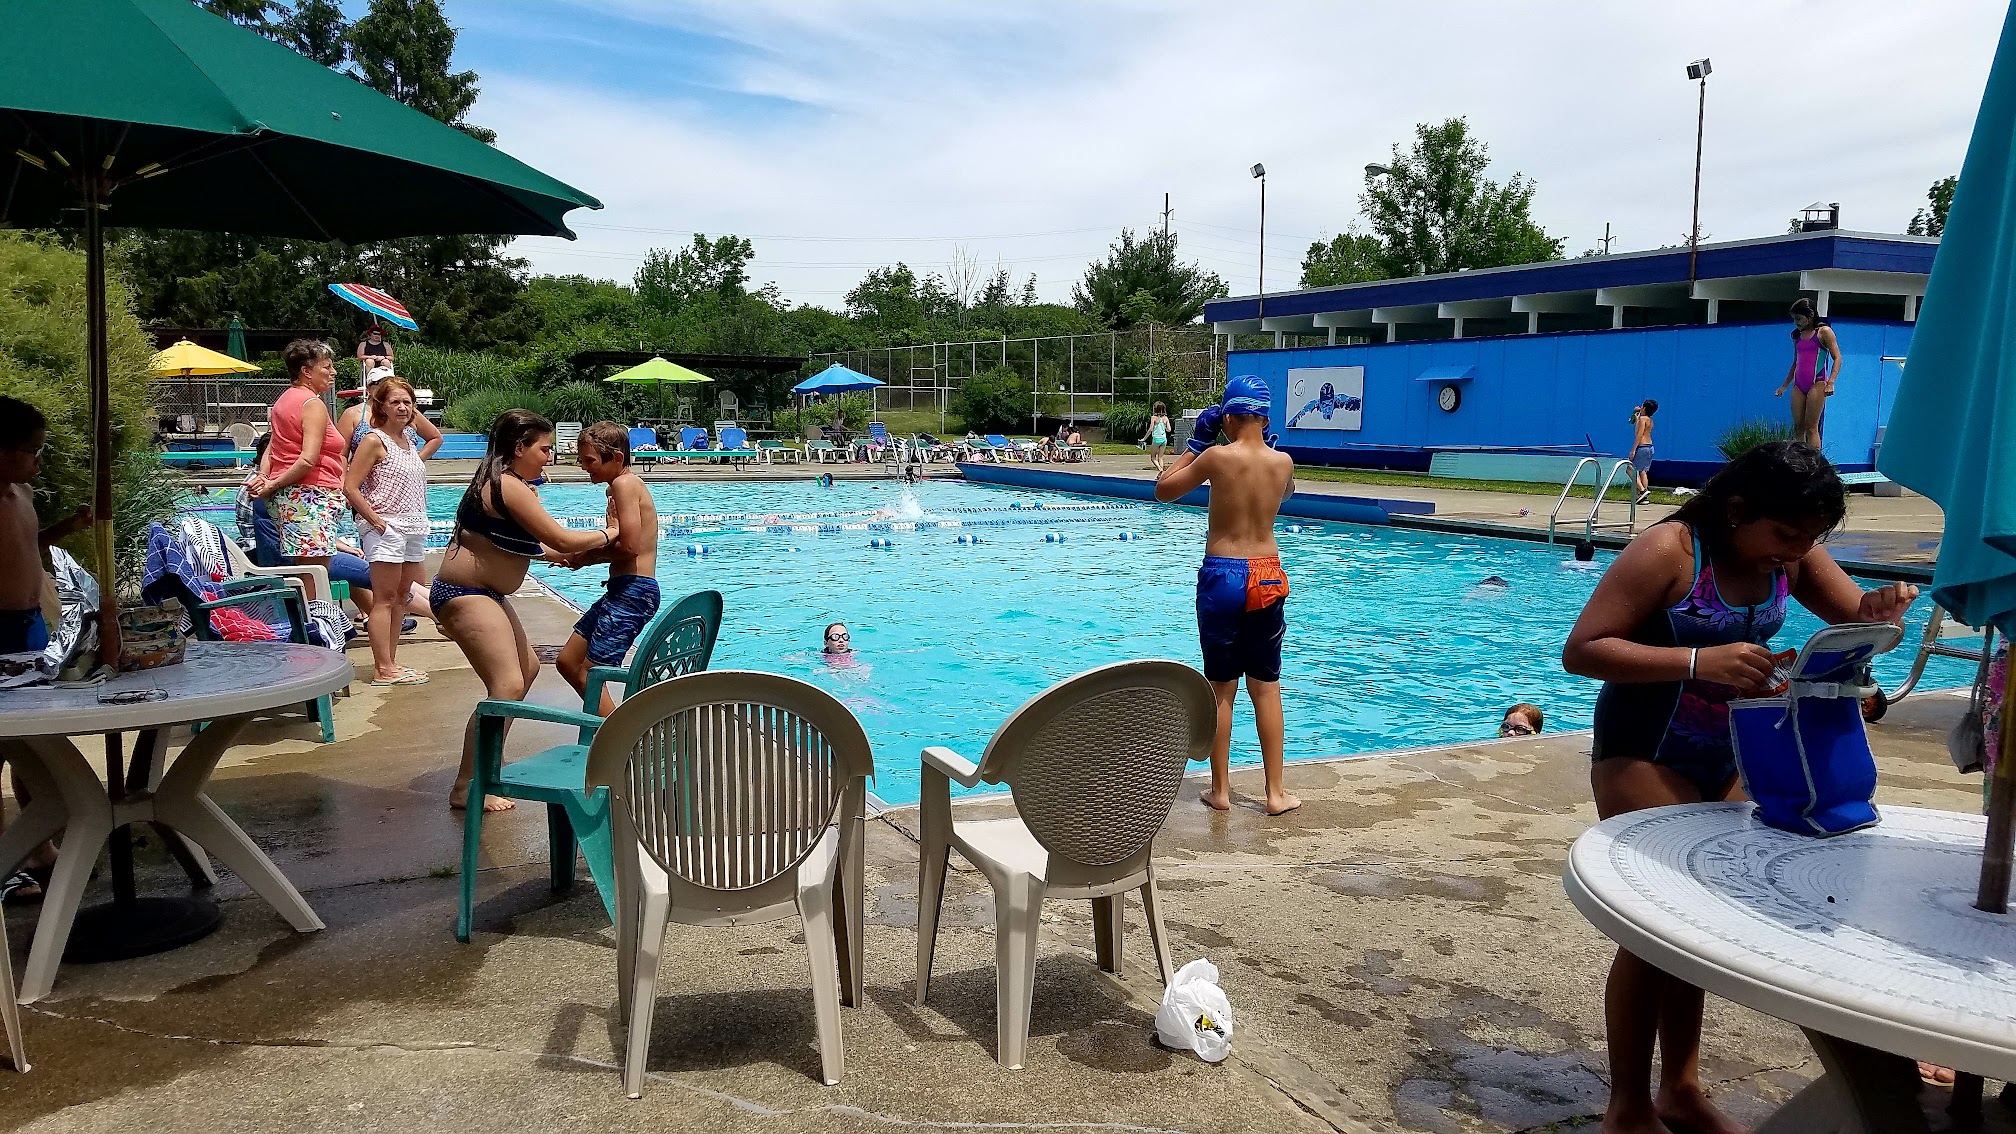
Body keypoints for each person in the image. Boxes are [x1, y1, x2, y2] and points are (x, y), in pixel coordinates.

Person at [1562, 440, 1917, 1134]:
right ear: (1736, 510)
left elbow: (1857, 622)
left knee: (1700, 925)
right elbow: (1584, 650)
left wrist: (1881, 614)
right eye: (1783, 535)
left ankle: (1681, 1088)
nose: (1795, 552)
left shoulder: (1794, 553)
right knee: (1657, 923)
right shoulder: (1670, 552)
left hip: (1731, 756)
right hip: (1645, 749)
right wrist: (1699, 661)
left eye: (1810, 538)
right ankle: (1627, 1107)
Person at [431, 410, 617, 811]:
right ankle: (466, 785)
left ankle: (487, 761)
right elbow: (561, 538)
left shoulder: (509, 483)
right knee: (507, 686)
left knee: (527, 669)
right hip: (464, 593)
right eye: (545, 449)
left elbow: (521, 543)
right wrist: (611, 532)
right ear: (519, 448)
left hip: (485, 593)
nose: (550, 456)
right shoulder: (507, 485)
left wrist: (567, 556)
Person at [1154, 375, 1300, 815]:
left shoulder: (1216, 457)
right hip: (1267, 573)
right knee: (1267, 687)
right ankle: (1275, 794)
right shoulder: (1284, 462)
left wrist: (1194, 446)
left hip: (1224, 574)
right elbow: (1285, 495)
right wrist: (1265, 449)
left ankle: (1220, 791)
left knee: (1221, 688)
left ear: (1227, 418)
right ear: (1266, 419)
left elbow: (1164, 490)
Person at [0, 396, 90, 904]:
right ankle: (4, 860)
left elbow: (30, 547)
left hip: (29, 625)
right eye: (31, 451)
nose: (38, 461)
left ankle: (39, 845)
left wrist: (67, 529)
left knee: (37, 745)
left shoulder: (22, 493)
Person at [553, 422, 660, 716]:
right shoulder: (619, 487)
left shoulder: (625, 485)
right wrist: (579, 554)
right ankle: (611, 727)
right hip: (622, 590)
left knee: (590, 674)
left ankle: (622, 735)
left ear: (617, 458)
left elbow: (629, 547)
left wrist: (584, 558)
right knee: (567, 662)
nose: (583, 467)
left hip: (633, 593)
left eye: (589, 460)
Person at [342, 378, 432, 686]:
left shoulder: (408, 440)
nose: (403, 407)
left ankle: (391, 662)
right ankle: (382, 667)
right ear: (381, 406)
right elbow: (350, 487)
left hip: (412, 526)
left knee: (402, 598)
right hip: (386, 527)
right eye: (395, 402)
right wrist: (376, 520)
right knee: (385, 598)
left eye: (407, 402)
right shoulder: (373, 441)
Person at [247, 340, 345, 599]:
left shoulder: (283, 401)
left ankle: (311, 617)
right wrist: (271, 483)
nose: (333, 372)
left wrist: (265, 477)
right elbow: (307, 460)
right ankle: (317, 619)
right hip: (309, 496)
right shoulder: (311, 403)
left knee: (306, 571)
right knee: (315, 575)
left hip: (292, 498)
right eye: (327, 367)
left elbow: (272, 448)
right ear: (307, 371)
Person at [1773, 298, 1841, 451]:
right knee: (1798, 427)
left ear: (1810, 316)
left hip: (1817, 383)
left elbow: (1837, 358)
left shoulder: (1823, 332)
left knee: (1811, 427)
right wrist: (1784, 386)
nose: (1795, 322)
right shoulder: (1797, 336)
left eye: (1798, 318)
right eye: (1793, 319)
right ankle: (1799, 460)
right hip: (1799, 385)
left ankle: (1815, 461)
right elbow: (1796, 362)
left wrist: (1831, 382)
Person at [336, 369, 440, 461]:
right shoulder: (353, 414)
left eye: (390, 382)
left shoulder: (407, 412)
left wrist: (417, 460)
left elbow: (435, 437)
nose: (385, 387)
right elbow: (341, 454)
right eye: (380, 383)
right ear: (368, 388)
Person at [1628, 400, 1657, 506]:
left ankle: (1642, 490)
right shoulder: (1649, 420)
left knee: (1629, 469)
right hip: (1650, 447)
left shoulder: (1642, 419)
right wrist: (1636, 418)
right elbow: (1642, 429)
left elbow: (1639, 435)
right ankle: (1644, 497)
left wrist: (1633, 450)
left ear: (1644, 408)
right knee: (1643, 471)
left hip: (1642, 446)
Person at [1142, 402, 1173, 472]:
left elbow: (1150, 429)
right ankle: (1161, 474)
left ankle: (1160, 469)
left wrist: (1144, 439)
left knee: (1153, 457)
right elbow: (1169, 429)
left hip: (1156, 439)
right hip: (1164, 439)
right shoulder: (1165, 418)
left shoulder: (1153, 418)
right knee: (1160, 457)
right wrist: (1164, 427)